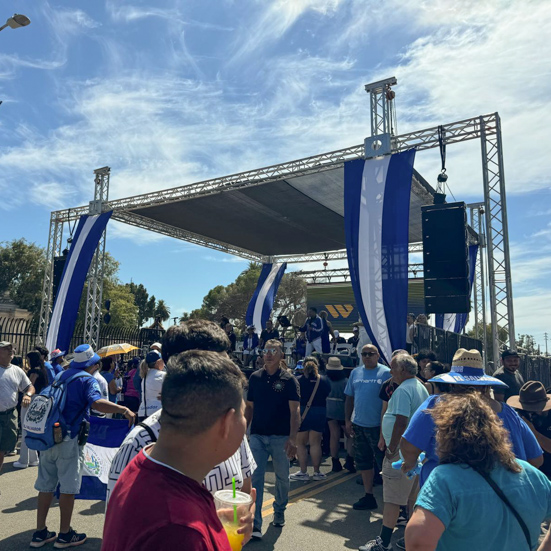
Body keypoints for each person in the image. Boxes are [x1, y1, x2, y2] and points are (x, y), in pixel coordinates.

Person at [106, 320, 257, 526]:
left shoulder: (231, 428)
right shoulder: (138, 446)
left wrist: (243, 519)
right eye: (217, 365)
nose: (228, 372)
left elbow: (244, 490)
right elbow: (117, 529)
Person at [405, 392, 551, 551]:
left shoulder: (444, 479)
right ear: (498, 430)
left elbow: (418, 541)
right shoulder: (530, 473)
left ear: (445, 434)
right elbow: (538, 459)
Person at [31, 344, 135, 548]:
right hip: (69, 439)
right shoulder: (87, 380)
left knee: (45, 485)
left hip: (48, 437)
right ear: (93, 364)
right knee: (68, 488)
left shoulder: (62, 375)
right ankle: (64, 534)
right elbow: (96, 403)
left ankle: (40, 532)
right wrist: (123, 409)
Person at [400, 348, 543, 490]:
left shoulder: (436, 406)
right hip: (505, 500)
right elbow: (536, 459)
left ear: (452, 383)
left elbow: (409, 447)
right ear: (485, 384)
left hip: (446, 498)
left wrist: (411, 464)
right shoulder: (508, 412)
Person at [360, 354, 429, 551]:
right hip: (415, 450)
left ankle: (383, 542)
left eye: (393, 368)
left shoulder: (403, 390)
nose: (390, 372)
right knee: (411, 498)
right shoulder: (419, 387)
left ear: (403, 370)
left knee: (392, 499)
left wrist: (391, 448)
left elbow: (401, 420)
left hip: (401, 452)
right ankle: (410, 539)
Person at [245, 339, 300, 539]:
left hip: (281, 437)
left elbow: (295, 411)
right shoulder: (255, 377)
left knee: (282, 479)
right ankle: (256, 525)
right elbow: (249, 407)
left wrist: (293, 438)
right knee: (255, 479)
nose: (268, 354)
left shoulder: (288, 380)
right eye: (266, 350)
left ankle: (279, 511)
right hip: (258, 435)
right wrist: (243, 431)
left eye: (273, 351)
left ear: (281, 355)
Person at [345, 344, 391, 510]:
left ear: (377, 355)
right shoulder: (355, 372)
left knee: (385, 465)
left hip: (379, 427)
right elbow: (349, 397)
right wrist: (348, 421)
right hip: (359, 425)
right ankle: (368, 495)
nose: (367, 357)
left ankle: (391, 501)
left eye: (370, 354)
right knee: (363, 463)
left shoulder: (386, 372)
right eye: (364, 354)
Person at [290, 356, 331, 481]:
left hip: (302, 411)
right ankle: (317, 472)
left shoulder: (298, 380)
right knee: (316, 443)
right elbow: (327, 393)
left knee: (301, 444)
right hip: (319, 411)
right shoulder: (324, 380)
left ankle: (303, 471)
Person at [0, 341, 34, 473]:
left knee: (2, 450)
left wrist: (28, 395)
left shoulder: (17, 371)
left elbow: (29, 387)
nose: (11, 351)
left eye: (12, 348)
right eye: (6, 349)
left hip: (9, 416)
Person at [507, 381, 551, 481]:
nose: (537, 412)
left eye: (539, 408)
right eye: (532, 410)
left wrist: (532, 431)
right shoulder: (520, 416)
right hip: (532, 473)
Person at [13, 351, 48, 469]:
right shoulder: (42, 370)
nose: (26, 361)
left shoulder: (34, 372)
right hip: (39, 400)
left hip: (30, 400)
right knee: (32, 428)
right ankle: (33, 459)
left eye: (27, 359)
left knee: (25, 428)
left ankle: (24, 460)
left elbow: (29, 385)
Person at [325, 356, 355, 473]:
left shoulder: (325, 379)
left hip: (329, 408)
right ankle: (349, 459)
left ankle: (335, 461)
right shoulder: (346, 381)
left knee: (334, 435)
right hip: (343, 409)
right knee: (350, 435)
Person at [138, 350, 166, 420]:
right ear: (158, 362)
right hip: (157, 412)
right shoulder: (163, 375)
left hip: (142, 412)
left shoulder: (145, 376)